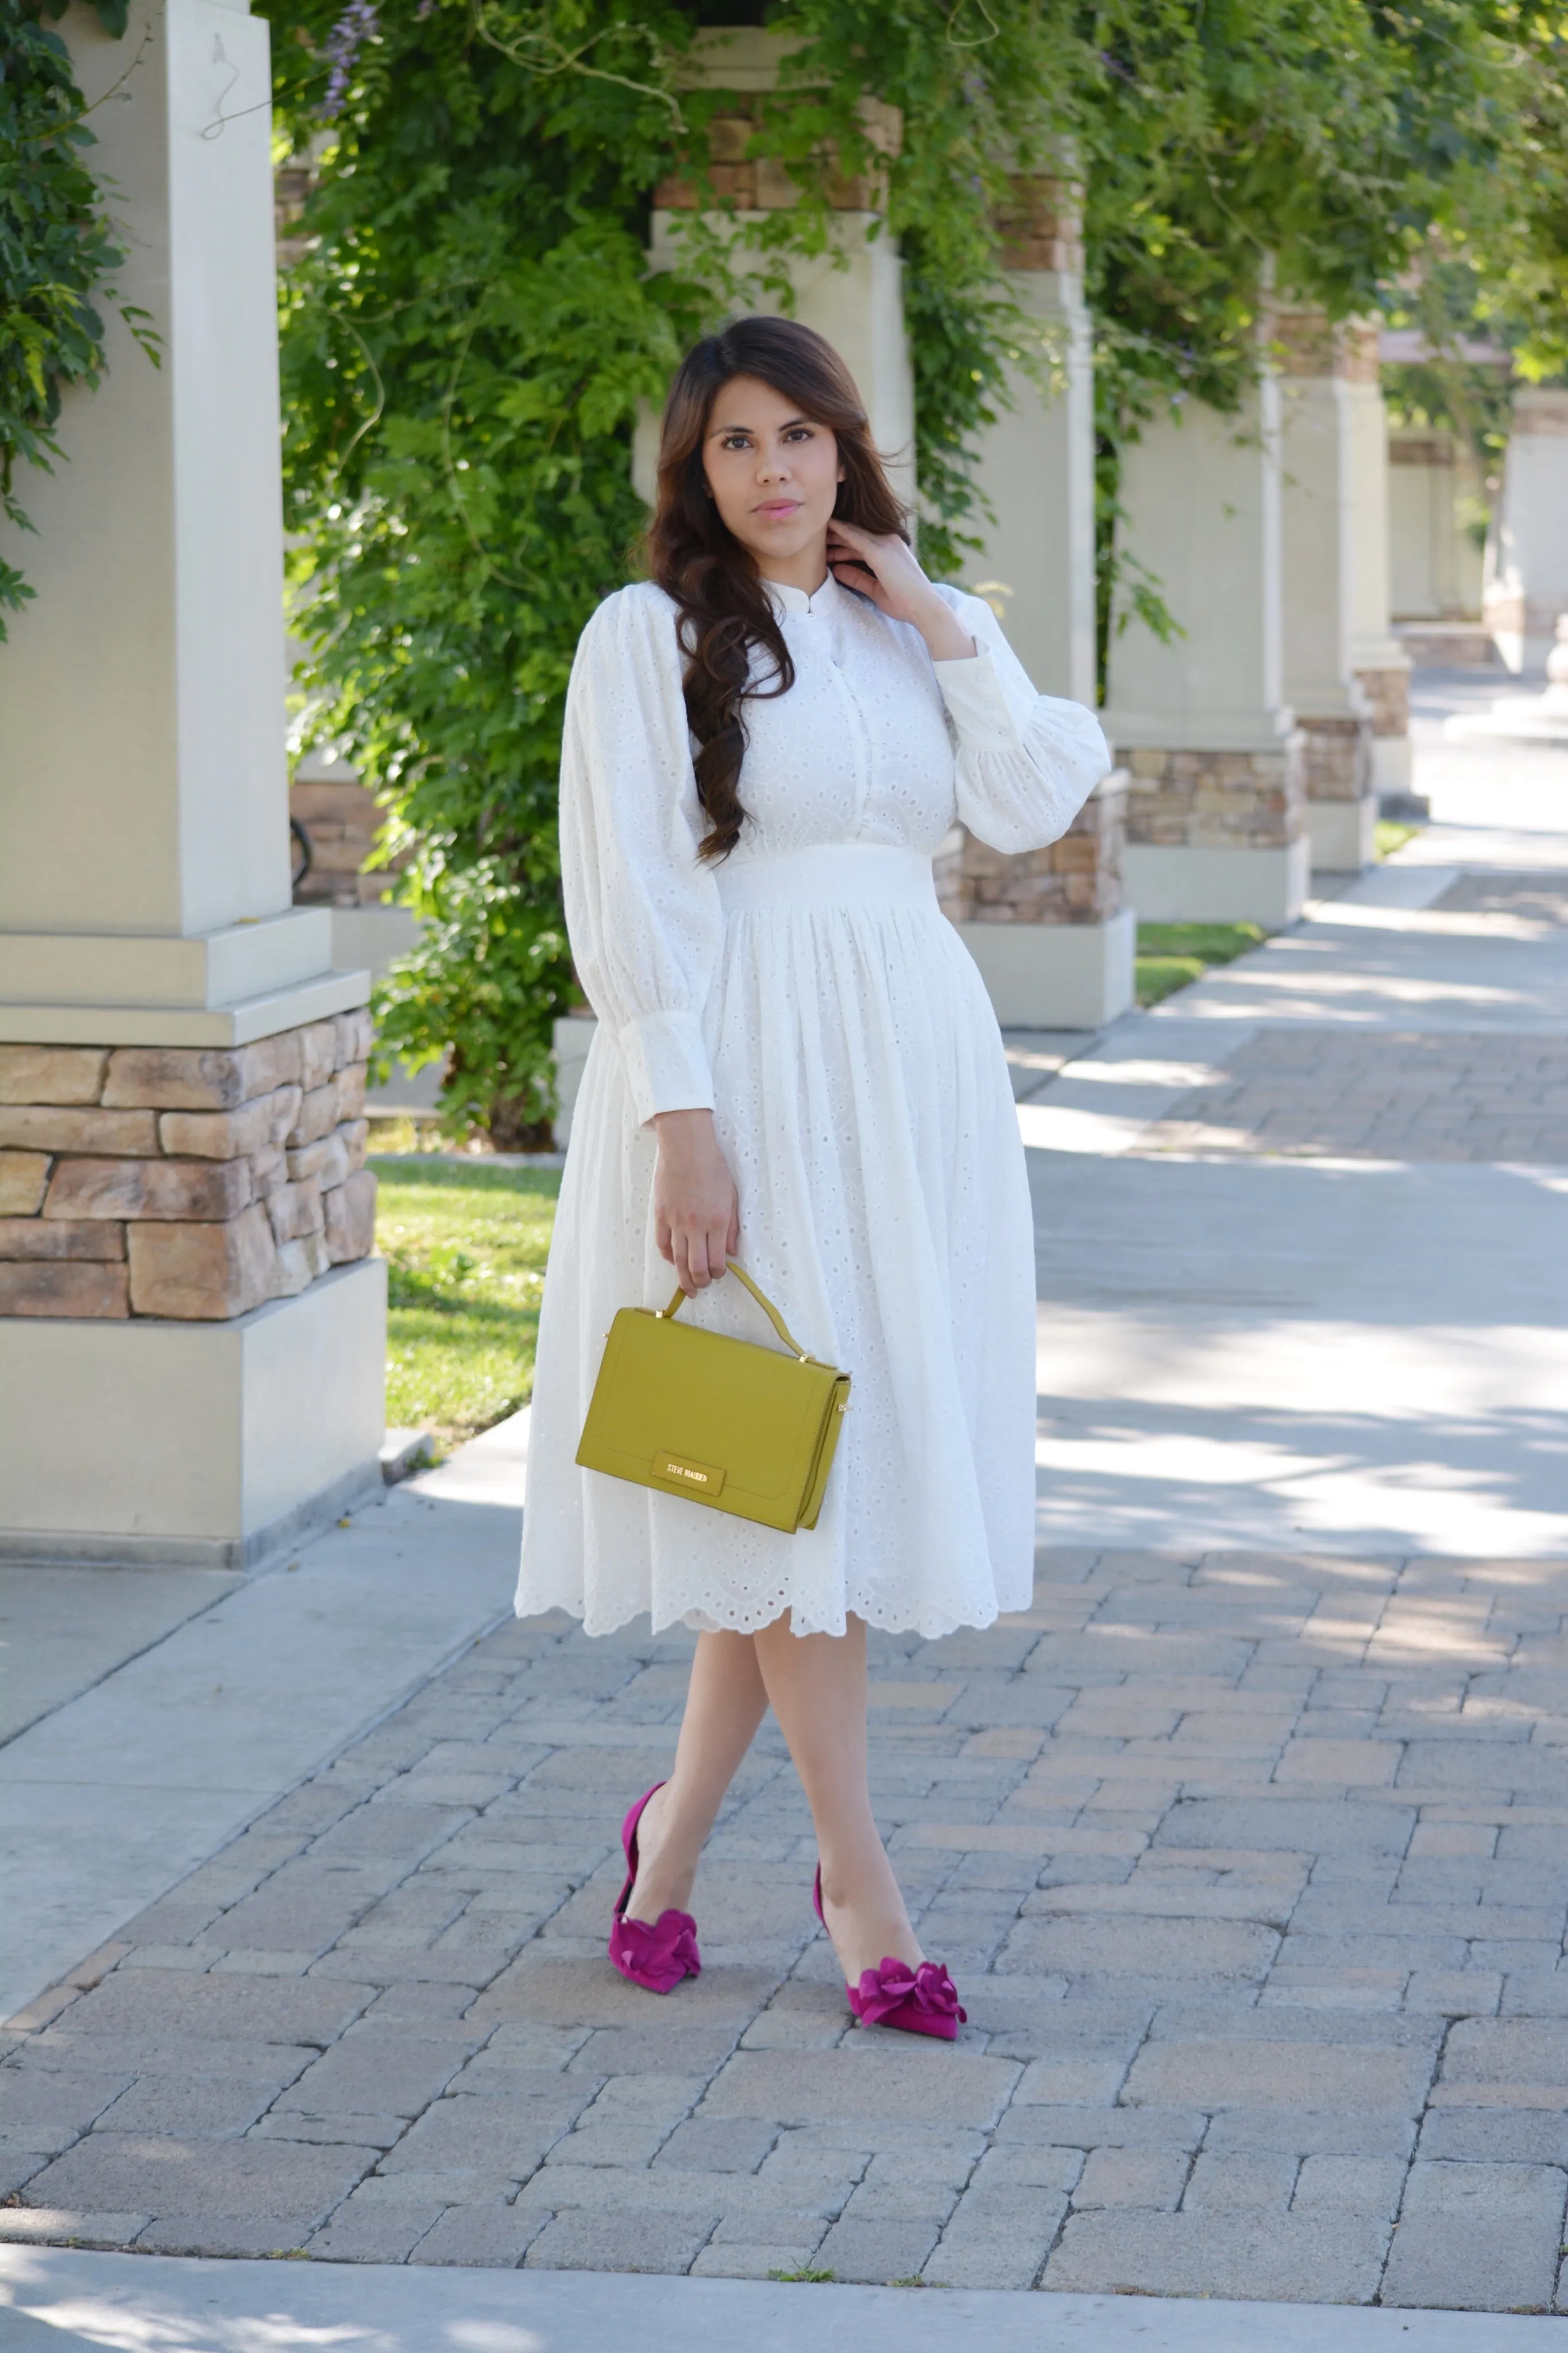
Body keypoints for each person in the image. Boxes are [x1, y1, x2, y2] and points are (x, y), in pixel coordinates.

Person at [517, 314, 1109, 2039]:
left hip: (913, 1066)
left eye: (801, 437)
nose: (774, 471)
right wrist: (681, 1124)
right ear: (694, 475)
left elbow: (1033, 801)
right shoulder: (650, 637)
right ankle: (862, 1887)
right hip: (749, 1069)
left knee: (791, 1481)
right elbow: (636, 892)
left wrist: (939, 615)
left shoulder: (897, 627)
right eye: (735, 445)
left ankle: (672, 1841)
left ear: (848, 451)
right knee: (784, 1479)